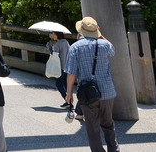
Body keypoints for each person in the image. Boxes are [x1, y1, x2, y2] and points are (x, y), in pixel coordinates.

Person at [65, 17, 120, 152]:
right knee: (108, 124)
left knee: (93, 128)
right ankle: (114, 149)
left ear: (81, 30)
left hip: (88, 94)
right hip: (107, 92)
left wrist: (69, 93)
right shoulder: (103, 44)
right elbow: (112, 49)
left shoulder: (75, 47)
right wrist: (100, 35)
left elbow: (71, 73)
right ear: (95, 30)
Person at [46, 31, 71, 108]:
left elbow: (54, 56)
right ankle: (69, 101)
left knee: (59, 84)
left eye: (54, 34)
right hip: (67, 66)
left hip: (60, 67)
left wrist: (49, 47)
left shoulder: (58, 44)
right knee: (66, 84)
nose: (53, 35)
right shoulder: (66, 42)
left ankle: (67, 101)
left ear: (57, 35)